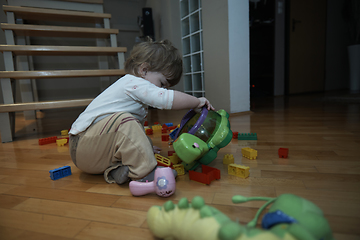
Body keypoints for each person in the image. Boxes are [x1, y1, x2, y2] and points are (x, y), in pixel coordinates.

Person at [69, 39, 214, 185]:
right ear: (143, 70)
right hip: (82, 145)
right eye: (162, 84)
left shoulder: (135, 93)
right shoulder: (132, 82)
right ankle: (145, 172)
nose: (162, 90)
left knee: (133, 129)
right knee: (125, 121)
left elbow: (128, 135)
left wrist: (145, 146)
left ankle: (118, 170)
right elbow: (165, 99)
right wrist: (196, 101)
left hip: (95, 156)